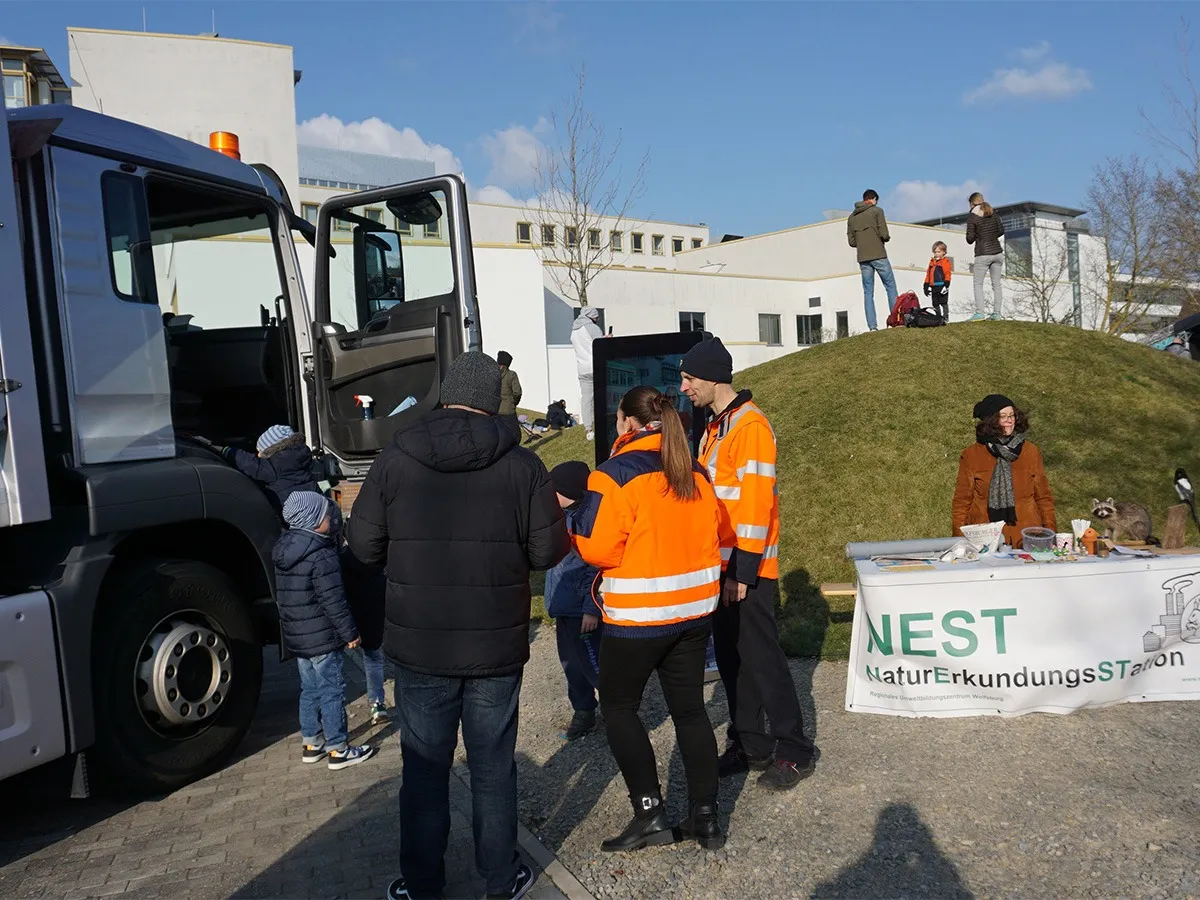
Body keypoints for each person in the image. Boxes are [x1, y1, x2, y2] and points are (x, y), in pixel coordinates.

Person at [347, 351, 570, 900]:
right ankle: (501, 879)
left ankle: (423, 885)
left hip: (420, 643)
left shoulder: (396, 457)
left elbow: (362, 545)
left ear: (446, 395)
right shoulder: (523, 465)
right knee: (493, 767)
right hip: (495, 642)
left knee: (425, 769)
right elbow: (548, 551)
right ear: (492, 400)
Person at [574, 385, 725, 853]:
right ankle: (705, 816)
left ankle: (649, 812)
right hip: (694, 612)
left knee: (619, 708)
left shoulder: (613, 474)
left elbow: (597, 549)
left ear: (626, 423)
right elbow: (719, 531)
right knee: (690, 711)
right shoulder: (695, 470)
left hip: (638, 617)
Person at [680, 336, 817, 791]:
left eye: (689, 378)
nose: (683, 387)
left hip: (746, 569)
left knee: (762, 659)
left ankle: (795, 750)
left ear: (711, 377)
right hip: (721, 566)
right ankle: (750, 743)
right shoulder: (717, 426)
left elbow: (756, 507)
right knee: (734, 660)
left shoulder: (750, 426)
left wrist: (742, 571)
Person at [273, 491, 379, 770]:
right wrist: (350, 633)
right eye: (326, 515)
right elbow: (334, 600)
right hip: (323, 637)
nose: (331, 518)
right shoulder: (321, 555)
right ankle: (339, 748)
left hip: (300, 637)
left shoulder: (284, 550)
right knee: (332, 690)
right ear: (313, 521)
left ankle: (312, 743)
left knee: (309, 689)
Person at [952, 393, 1056, 549]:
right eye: (1003, 416)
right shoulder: (972, 455)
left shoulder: (1030, 451)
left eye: (1012, 415)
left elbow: (1043, 498)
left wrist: (1051, 536)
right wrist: (958, 543)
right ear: (991, 421)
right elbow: (962, 502)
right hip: (985, 538)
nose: (1010, 420)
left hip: (1027, 537)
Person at [545, 461, 603, 741]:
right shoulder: (560, 518)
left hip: (583, 611)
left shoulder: (588, 521)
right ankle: (583, 711)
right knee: (570, 664)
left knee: (594, 663)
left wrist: (591, 608)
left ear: (567, 491)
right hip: (564, 607)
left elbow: (596, 567)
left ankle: (618, 712)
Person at [198, 424, 318, 512]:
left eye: (260, 452)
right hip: (317, 505)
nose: (258, 455)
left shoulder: (275, 466)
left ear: (272, 449)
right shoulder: (299, 457)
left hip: (297, 513)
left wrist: (224, 450)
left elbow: (246, 461)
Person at [847, 189, 897, 332]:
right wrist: (883, 238)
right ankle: (896, 320)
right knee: (890, 287)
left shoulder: (851, 217)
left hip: (863, 258)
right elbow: (884, 234)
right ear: (873, 199)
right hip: (879, 254)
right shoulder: (877, 211)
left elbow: (851, 242)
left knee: (868, 292)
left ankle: (872, 326)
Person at [966, 192, 1006, 321]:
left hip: (983, 253)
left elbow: (970, 239)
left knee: (978, 284)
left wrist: (980, 236)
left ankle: (980, 313)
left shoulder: (972, 216)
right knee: (997, 284)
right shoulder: (993, 213)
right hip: (997, 253)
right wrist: (990, 236)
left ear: (972, 203)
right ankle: (997, 313)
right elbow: (1001, 230)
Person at [571, 307, 603, 441]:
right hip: (596, 365)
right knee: (602, 395)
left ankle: (589, 429)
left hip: (582, 369)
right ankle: (604, 424)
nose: (597, 319)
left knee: (586, 399)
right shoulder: (593, 328)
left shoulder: (574, 330)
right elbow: (601, 345)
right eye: (596, 317)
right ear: (592, 317)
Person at [924, 241, 953, 323]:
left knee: (943, 302)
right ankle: (938, 317)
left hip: (942, 286)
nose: (936, 254)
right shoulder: (932, 262)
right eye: (935, 252)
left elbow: (947, 274)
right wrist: (926, 285)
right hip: (933, 286)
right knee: (935, 303)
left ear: (944, 252)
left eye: (939, 252)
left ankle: (945, 317)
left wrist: (946, 285)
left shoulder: (945, 262)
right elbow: (928, 274)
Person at [497, 350, 523, 440]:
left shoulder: (493, 374)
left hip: (495, 410)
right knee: (515, 435)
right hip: (508, 410)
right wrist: (514, 402)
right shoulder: (511, 374)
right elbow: (517, 393)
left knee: (500, 434)